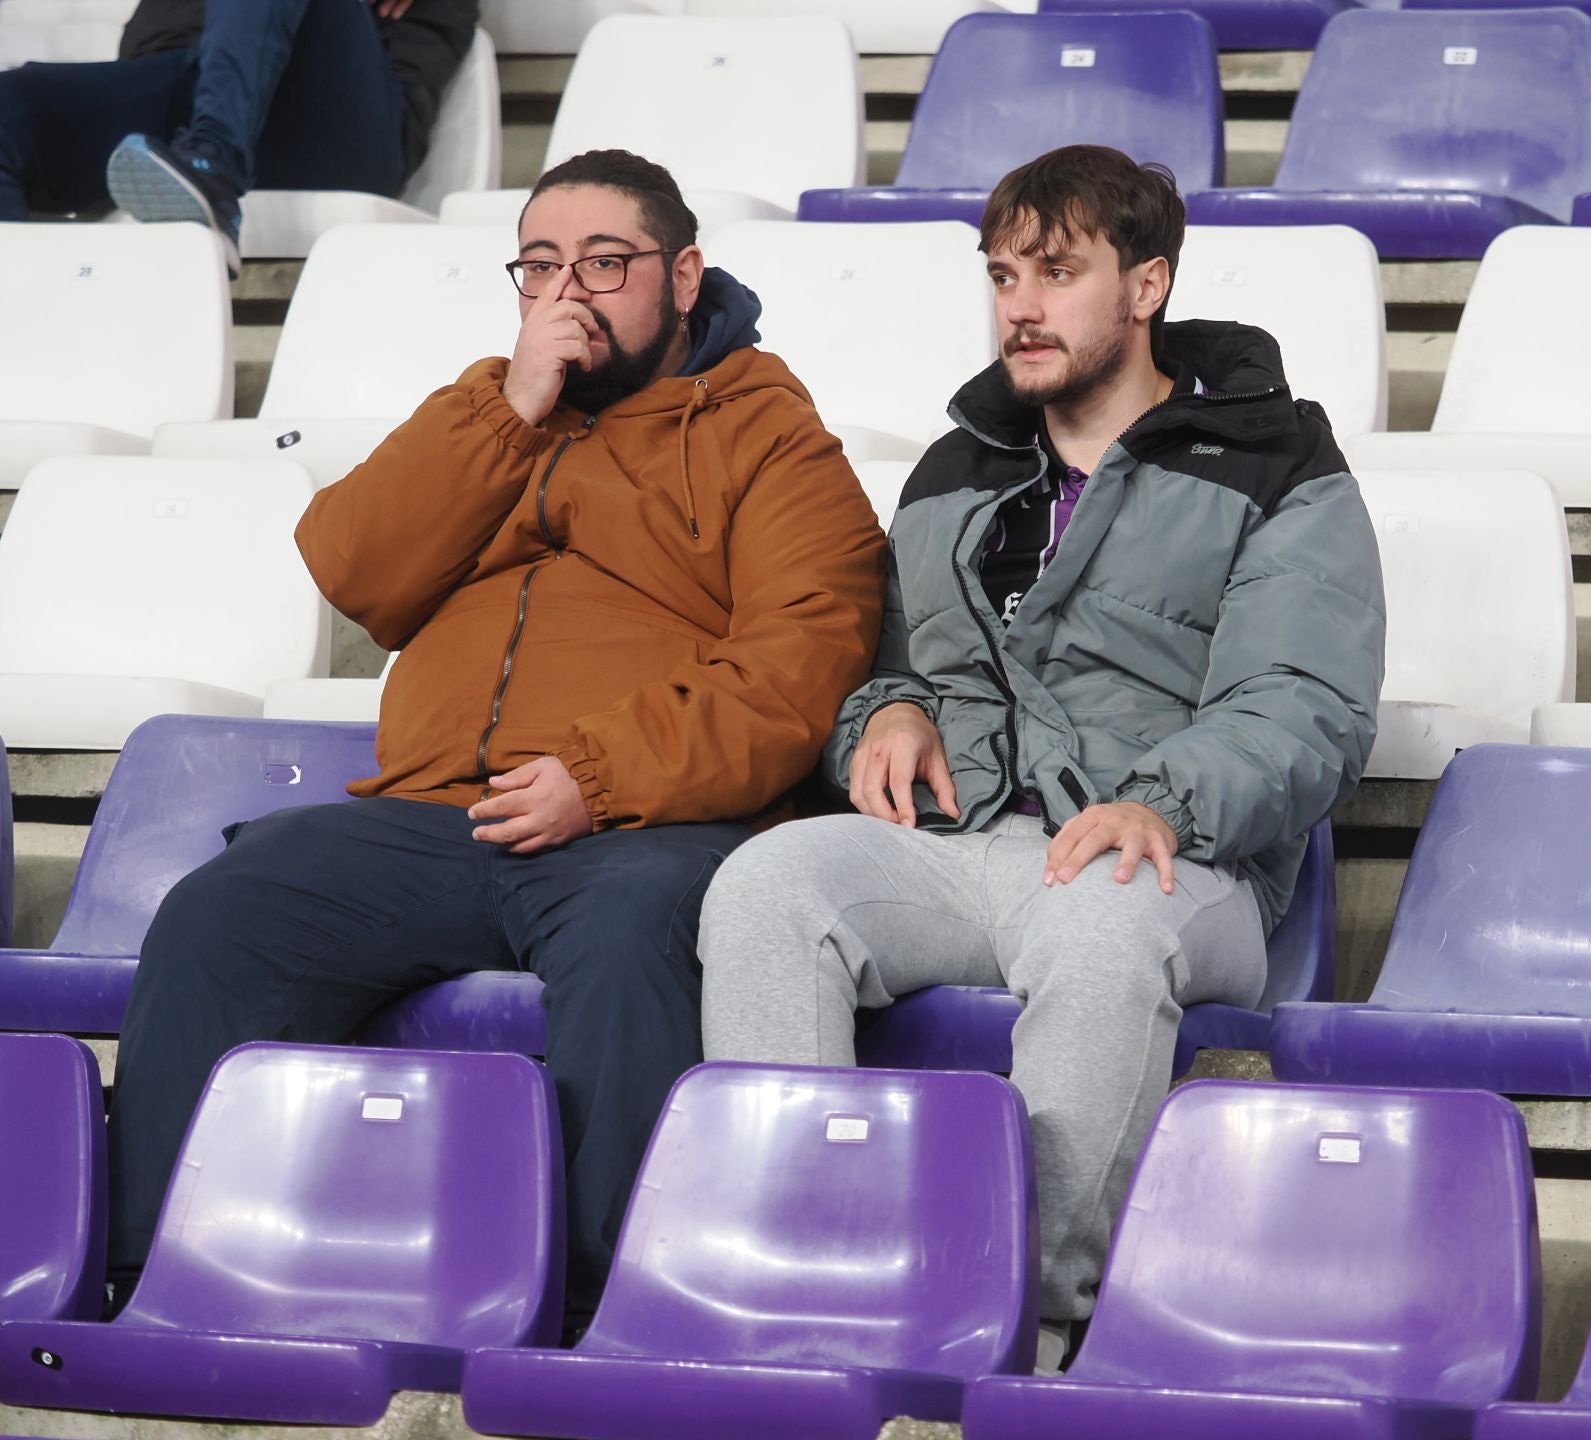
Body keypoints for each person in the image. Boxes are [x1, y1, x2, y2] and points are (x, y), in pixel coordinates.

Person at [106, 149, 889, 1328]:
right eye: (540, 266)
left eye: (606, 263)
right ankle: (158, 1283)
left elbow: (795, 672)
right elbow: (354, 568)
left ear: (684, 277)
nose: (569, 292)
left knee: (635, 939)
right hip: (429, 814)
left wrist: (597, 777)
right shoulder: (491, 403)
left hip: (644, 824)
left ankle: (591, 1312)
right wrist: (505, 410)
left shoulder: (771, 437)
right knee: (223, 912)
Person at [698, 144, 1386, 1363]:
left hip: (1182, 858)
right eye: (1003, 272)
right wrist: (889, 719)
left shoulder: (1282, 465)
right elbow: (889, 664)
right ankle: (810, 1285)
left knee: (1100, 924)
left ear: (1147, 285)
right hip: (973, 847)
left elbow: (1304, 708)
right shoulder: (958, 468)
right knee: (768, 885)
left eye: (1058, 270)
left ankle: (1023, 1322)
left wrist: (1161, 805)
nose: (1019, 302)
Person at [0, 0, 479, 273]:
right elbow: (150, 46)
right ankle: (27, 327)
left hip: (338, 124)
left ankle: (216, 163)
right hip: (189, 91)